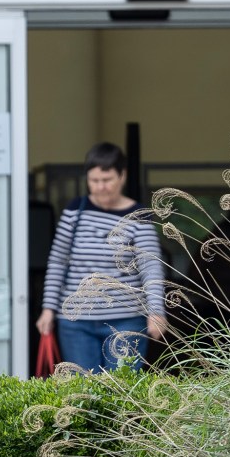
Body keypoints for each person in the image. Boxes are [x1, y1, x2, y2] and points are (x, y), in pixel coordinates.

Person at [35, 142, 167, 371]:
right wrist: (48, 309)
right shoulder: (75, 211)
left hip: (126, 320)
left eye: (107, 180)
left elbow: (151, 267)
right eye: (94, 181)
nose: (100, 187)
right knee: (81, 394)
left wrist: (156, 311)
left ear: (122, 176)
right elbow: (57, 261)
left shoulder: (138, 217)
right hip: (75, 322)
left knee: (122, 393)